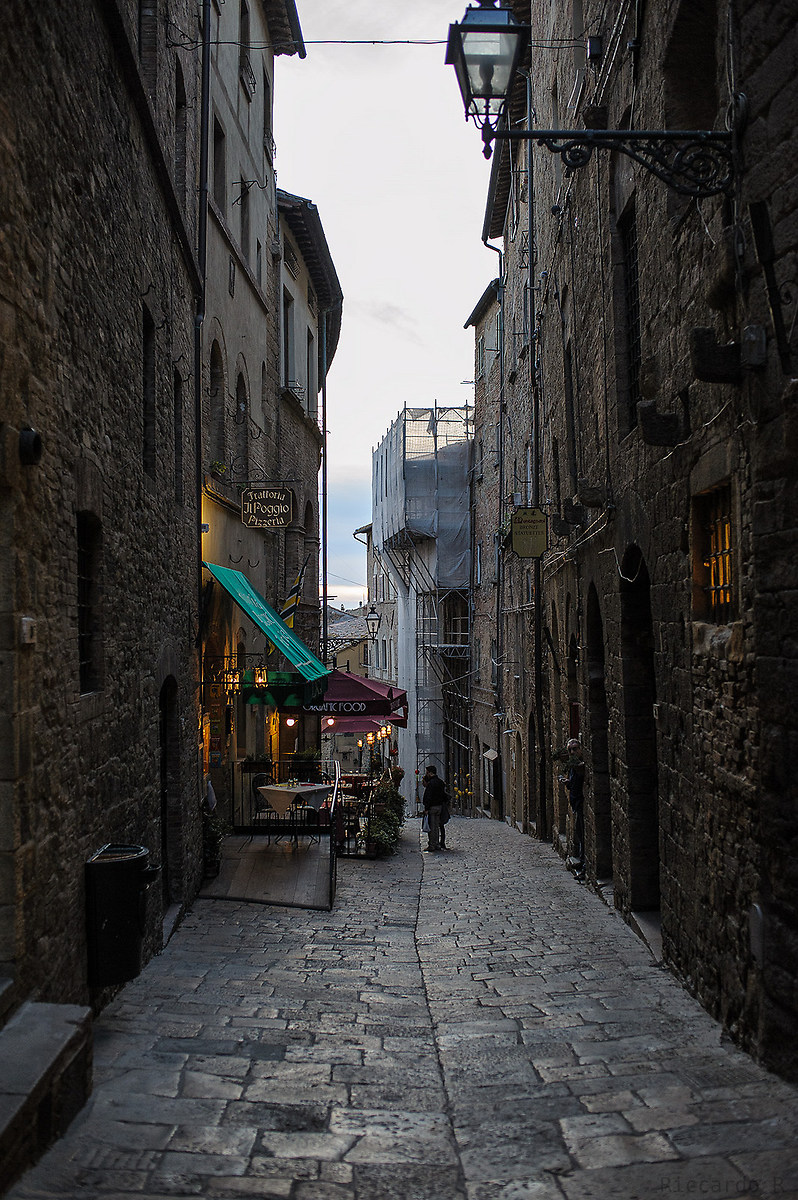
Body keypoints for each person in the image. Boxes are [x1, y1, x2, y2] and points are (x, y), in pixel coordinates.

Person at [563, 738, 585, 878]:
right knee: (580, 832)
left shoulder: (579, 765)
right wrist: (568, 782)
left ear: (581, 749)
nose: (572, 752)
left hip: (581, 802)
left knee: (583, 834)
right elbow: (573, 784)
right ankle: (583, 861)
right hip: (576, 803)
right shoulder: (573, 766)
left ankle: (584, 865)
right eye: (570, 750)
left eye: (575, 748)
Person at [422, 765, 448, 852]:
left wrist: (426, 808)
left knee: (432, 827)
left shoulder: (431, 784)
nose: (426, 774)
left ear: (430, 773)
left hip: (432, 807)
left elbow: (429, 796)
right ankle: (437, 843)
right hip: (439, 807)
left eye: (427, 772)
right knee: (436, 826)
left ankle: (432, 845)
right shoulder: (440, 782)